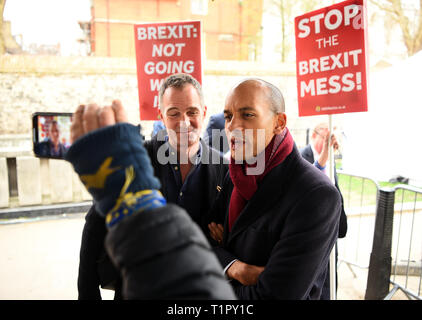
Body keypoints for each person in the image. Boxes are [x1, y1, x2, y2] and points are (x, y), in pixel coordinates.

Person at [77, 73, 228, 299]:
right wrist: (87, 294)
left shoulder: (224, 169)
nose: (184, 122)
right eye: (173, 113)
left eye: (192, 112)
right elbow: (95, 226)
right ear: (161, 116)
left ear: (204, 112)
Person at [207, 78, 342, 299]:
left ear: (279, 122)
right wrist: (235, 267)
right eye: (228, 117)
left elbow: (276, 295)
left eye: (247, 115)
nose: (232, 126)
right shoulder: (236, 173)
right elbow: (204, 241)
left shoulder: (316, 194)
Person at [300, 122, 348, 300]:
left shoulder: (331, 160)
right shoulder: (300, 157)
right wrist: (323, 159)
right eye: (326, 136)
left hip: (331, 238)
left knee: (329, 289)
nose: (330, 140)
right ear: (314, 135)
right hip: (311, 240)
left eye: (333, 135)